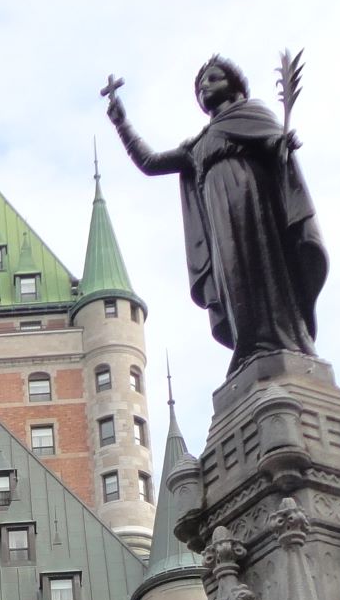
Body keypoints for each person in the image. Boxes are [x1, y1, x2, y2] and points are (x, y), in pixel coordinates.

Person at [106, 55, 328, 370]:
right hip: (220, 221)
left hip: (254, 206)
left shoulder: (253, 115)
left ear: (235, 86)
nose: (205, 88)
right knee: (233, 278)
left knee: (262, 270)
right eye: (200, 86)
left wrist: (284, 144)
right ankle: (249, 345)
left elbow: (277, 148)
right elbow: (151, 162)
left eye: (213, 78)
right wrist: (122, 124)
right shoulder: (198, 144)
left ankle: (281, 341)